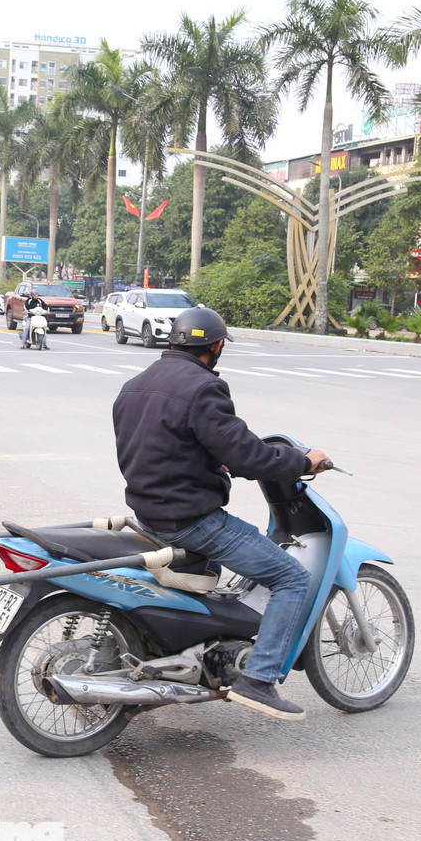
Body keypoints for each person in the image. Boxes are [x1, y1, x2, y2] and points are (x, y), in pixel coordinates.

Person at [111, 306, 331, 722]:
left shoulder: (134, 386)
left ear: (174, 342)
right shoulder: (203, 388)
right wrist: (303, 462)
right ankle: (259, 680)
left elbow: (159, 444)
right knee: (292, 578)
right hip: (192, 519)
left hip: (148, 510)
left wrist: (211, 461)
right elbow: (246, 454)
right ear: (215, 347)